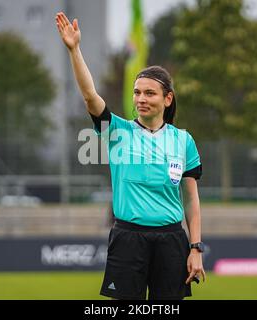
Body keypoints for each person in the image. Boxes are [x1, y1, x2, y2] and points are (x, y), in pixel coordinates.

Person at [55, 12, 205, 300]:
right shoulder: (117, 132)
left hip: (172, 241)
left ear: (167, 99)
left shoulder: (183, 140)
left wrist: (195, 248)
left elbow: (191, 200)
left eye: (149, 93)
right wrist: (74, 50)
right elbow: (90, 96)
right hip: (128, 239)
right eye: (137, 93)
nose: (141, 99)